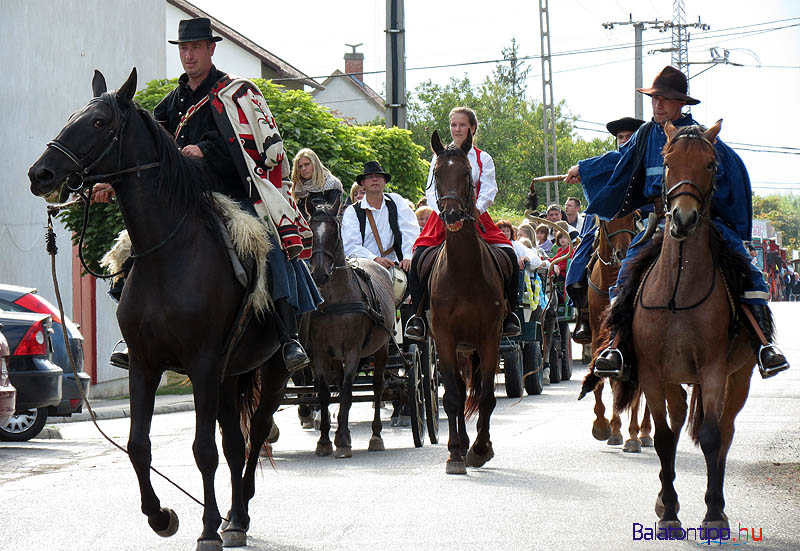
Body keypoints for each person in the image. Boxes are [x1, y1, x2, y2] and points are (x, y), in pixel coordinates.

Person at [101, 18, 320, 371]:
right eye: (184, 49)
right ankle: (134, 335)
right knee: (130, 248)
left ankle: (287, 335)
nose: (188, 55)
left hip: (232, 196)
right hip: (182, 202)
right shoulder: (172, 103)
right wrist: (110, 183)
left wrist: (206, 150)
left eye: (195, 48)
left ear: (210, 49)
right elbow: (145, 150)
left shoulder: (236, 94)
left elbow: (263, 148)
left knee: (268, 244)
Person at [564, 65, 789, 379]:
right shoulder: (644, 134)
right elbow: (620, 159)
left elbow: (727, 170)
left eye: (665, 99)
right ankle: (615, 346)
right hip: (657, 221)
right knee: (627, 270)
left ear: (681, 103)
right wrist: (583, 167)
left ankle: (764, 344)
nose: (658, 105)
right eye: (655, 98)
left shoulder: (699, 135)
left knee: (747, 268)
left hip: (703, 220)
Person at [404, 106, 520, 340]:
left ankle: (510, 313)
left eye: (462, 125)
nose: (457, 129)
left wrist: (476, 209)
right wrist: (443, 212)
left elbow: (489, 189)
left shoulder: (482, 157)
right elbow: (431, 191)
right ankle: (418, 316)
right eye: (453, 125)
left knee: (509, 255)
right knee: (418, 258)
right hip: (443, 216)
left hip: (475, 215)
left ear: (472, 128)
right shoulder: (438, 157)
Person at [565, 116, 644, 343]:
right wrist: (583, 173)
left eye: (629, 137)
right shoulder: (612, 162)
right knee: (581, 255)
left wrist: (582, 167)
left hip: (640, 212)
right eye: (621, 137)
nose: (624, 141)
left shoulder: (640, 158)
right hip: (604, 214)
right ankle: (584, 311)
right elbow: (602, 174)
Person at [341, 161, 420, 272]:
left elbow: (410, 230)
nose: (374, 179)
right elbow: (351, 245)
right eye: (370, 177)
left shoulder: (396, 201)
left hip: (397, 265)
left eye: (378, 176)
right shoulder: (352, 211)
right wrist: (374, 259)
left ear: (384, 182)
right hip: (364, 267)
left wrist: (408, 256)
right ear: (363, 183)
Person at [290, 148, 343, 218]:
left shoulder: (331, 184)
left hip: (325, 224)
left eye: (307, 164)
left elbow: (333, 214)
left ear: (315, 164)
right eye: (300, 166)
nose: (303, 169)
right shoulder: (297, 188)